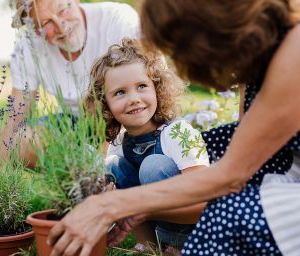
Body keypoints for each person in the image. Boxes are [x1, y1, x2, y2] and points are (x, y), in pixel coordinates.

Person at [47, 0, 300, 255]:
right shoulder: (267, 43)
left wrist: (111, 205)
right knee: (200, 146)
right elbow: (244, 136)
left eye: (178, 46)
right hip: (299, 165)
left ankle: (196, 238)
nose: (181, 60)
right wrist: (135, 203)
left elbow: (230, 176)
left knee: (226, 217)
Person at [84, 38, 209, 253]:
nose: (134, 99)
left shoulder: (179, 133)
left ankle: (178, 246)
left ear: (157, 89)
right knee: (112, 166)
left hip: (198, 230)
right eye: (120, 92)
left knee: (153, 165)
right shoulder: (120, 141)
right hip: (153, 215)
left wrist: (134, 205)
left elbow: (204, 204)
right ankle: (150, 245)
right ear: (105, 104)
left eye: (142, 86)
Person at [0, 0, 140, 165]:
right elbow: (16, 113)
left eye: (62, 10)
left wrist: (104, 157)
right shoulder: (27, 48)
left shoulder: (116, 19)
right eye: (47, 22)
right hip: (74, 122)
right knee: (21, 142)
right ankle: (74, 179)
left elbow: (146, 86)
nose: (61, 27)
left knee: (115, 163)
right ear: (35, 30)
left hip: (128, 118)